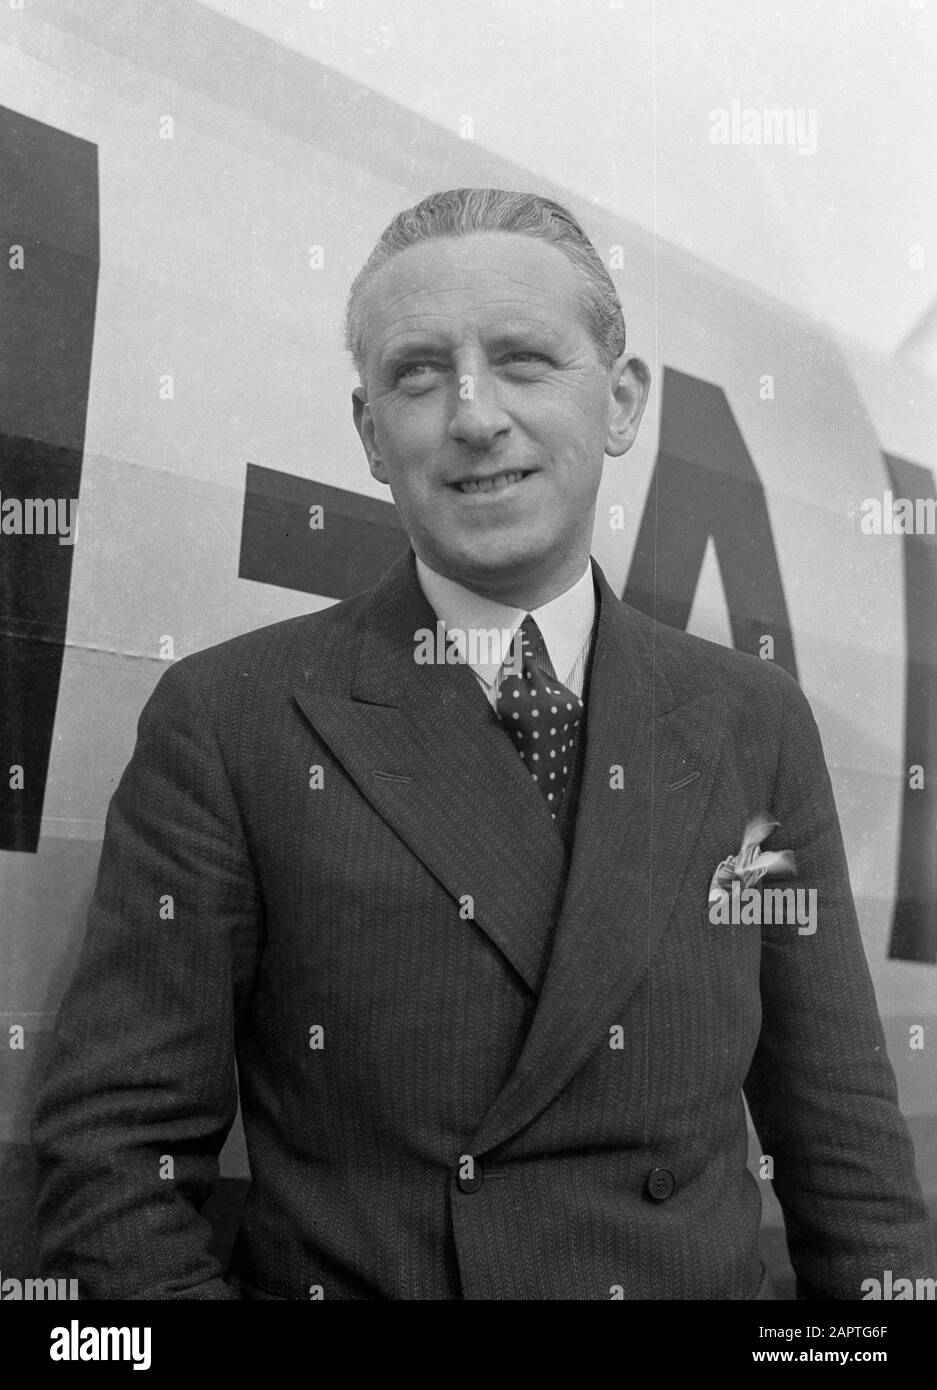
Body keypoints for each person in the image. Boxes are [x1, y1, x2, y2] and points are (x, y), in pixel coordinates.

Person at [32, 188, 934, 1300]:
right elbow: (113, 1157)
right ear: (370, 434)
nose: (472, 415)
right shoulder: (232, 720)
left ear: (621, 402)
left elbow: (838, 1133)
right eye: (418, 372)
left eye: (522, 360)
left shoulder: (751, 720)